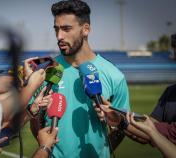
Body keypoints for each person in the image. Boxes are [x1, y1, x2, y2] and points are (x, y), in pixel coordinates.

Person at [34, 1, 130, 157]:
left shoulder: (114, 75)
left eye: (66, 29)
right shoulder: (46, 71)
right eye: (56, 29)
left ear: (85, 29)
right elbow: (35, 120)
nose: (59, 36)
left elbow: (123, 127)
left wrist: (101, 151)